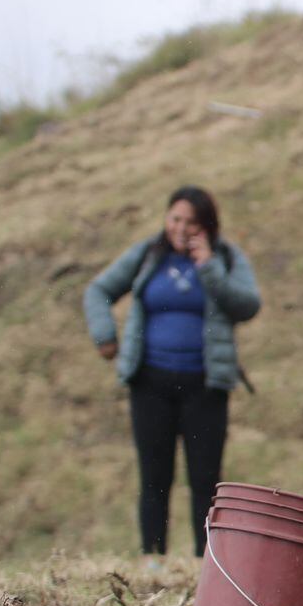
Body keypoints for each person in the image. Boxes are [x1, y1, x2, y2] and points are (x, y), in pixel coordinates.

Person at [83, 186, 261, 558]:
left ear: (207, 226)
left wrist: (208, 267)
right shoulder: (149, 254)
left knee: (205, 480)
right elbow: (98, 291)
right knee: (154, 478)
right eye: (175, 219)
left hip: (206, 387)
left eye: (191, 222)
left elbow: (248, 305)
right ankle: (153, 560)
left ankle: (204, 564)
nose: (181, 228)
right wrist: (105, 337)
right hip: (151, 384)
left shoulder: (225, 258)